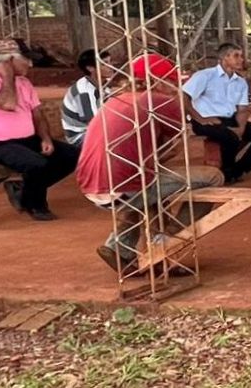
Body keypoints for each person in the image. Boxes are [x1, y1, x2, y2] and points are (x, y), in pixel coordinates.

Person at [76, 53, 225, 275]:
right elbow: (172, 149)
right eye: (172, 82)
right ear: (158, 81)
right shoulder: (161, 101)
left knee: (149, 185)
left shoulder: (115, 99)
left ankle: (120, 247)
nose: (175, 87)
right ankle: (169, 240)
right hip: (126, 185)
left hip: (91, 185)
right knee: (213, 177)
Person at [0, 39, 79, 221]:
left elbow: (37, 114)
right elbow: (8, 103)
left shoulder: (24, 82)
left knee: (72, 155)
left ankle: (24, 193)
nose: (30, 64)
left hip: (25, 140)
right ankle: (36, 205)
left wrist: (45, 139)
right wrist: (7, 75)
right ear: (8, 61)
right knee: (36, 164)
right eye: (25, 59)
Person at [183, 43, 251, 184]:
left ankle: (238, 170)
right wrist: (199, 118)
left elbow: (243, 109)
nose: (241, 59)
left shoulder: (240, 82)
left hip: (230, 119)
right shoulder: (205, 76)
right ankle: (226, 173)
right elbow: (183, 96)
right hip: (206, 120)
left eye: (241, 56)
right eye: (236, 56)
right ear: (224, 58)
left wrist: (241, 128)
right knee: (230, 137)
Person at [61, 49, 109, 146]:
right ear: (90, 68)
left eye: (110, 62)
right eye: (104, 64)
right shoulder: (84, 92)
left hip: (94, 130)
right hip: (80, 136)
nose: (110, 67)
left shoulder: (104, 85)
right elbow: (95, 123)